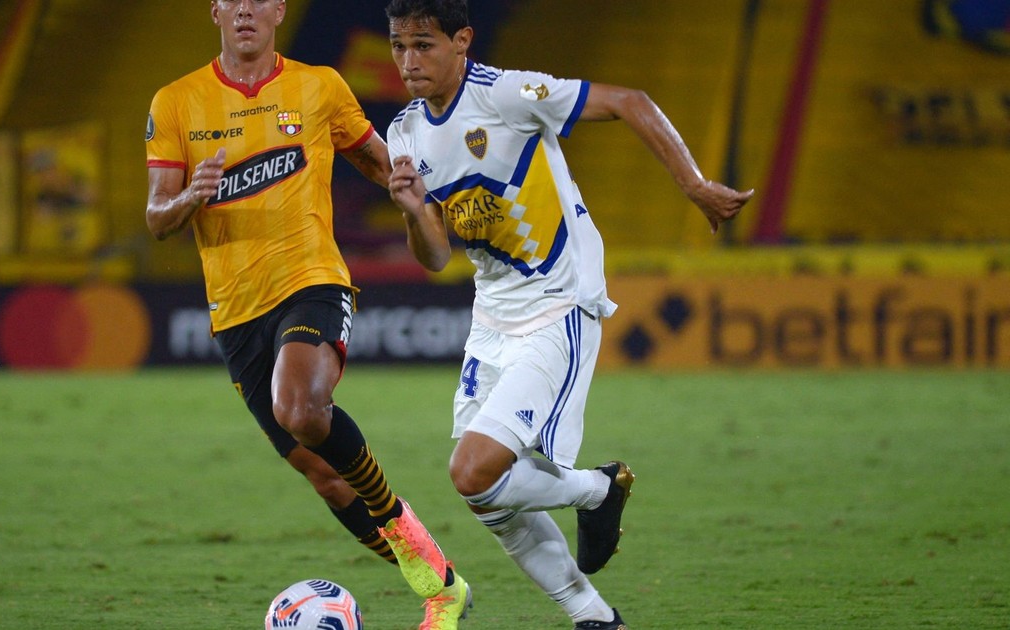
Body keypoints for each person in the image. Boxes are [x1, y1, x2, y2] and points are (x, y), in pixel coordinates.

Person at [384, 1, 754, 628]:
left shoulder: (506, 95)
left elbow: (630, 101)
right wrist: (415, 212)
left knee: (473, 472)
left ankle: (597, 489)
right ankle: (595, 617)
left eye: (424, 44)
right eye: (398, 46)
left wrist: (693, 185)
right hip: (492, 315)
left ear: (462, 41)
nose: (408, 60)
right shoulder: (405, 132)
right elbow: (437, 256)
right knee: (490, 499)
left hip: (559, 302)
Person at [143, 1, 471, 627]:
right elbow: (157, 218)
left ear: (278, 10)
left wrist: (431, 204)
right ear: (215, 10)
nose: (245, 8)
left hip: (311, 280)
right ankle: (442, 584)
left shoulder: (319, 86)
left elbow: (382, 163)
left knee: (300, 409)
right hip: (235, 312)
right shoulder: (176, 101)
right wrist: (190, 196)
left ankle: (405, 533)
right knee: (326, 478)